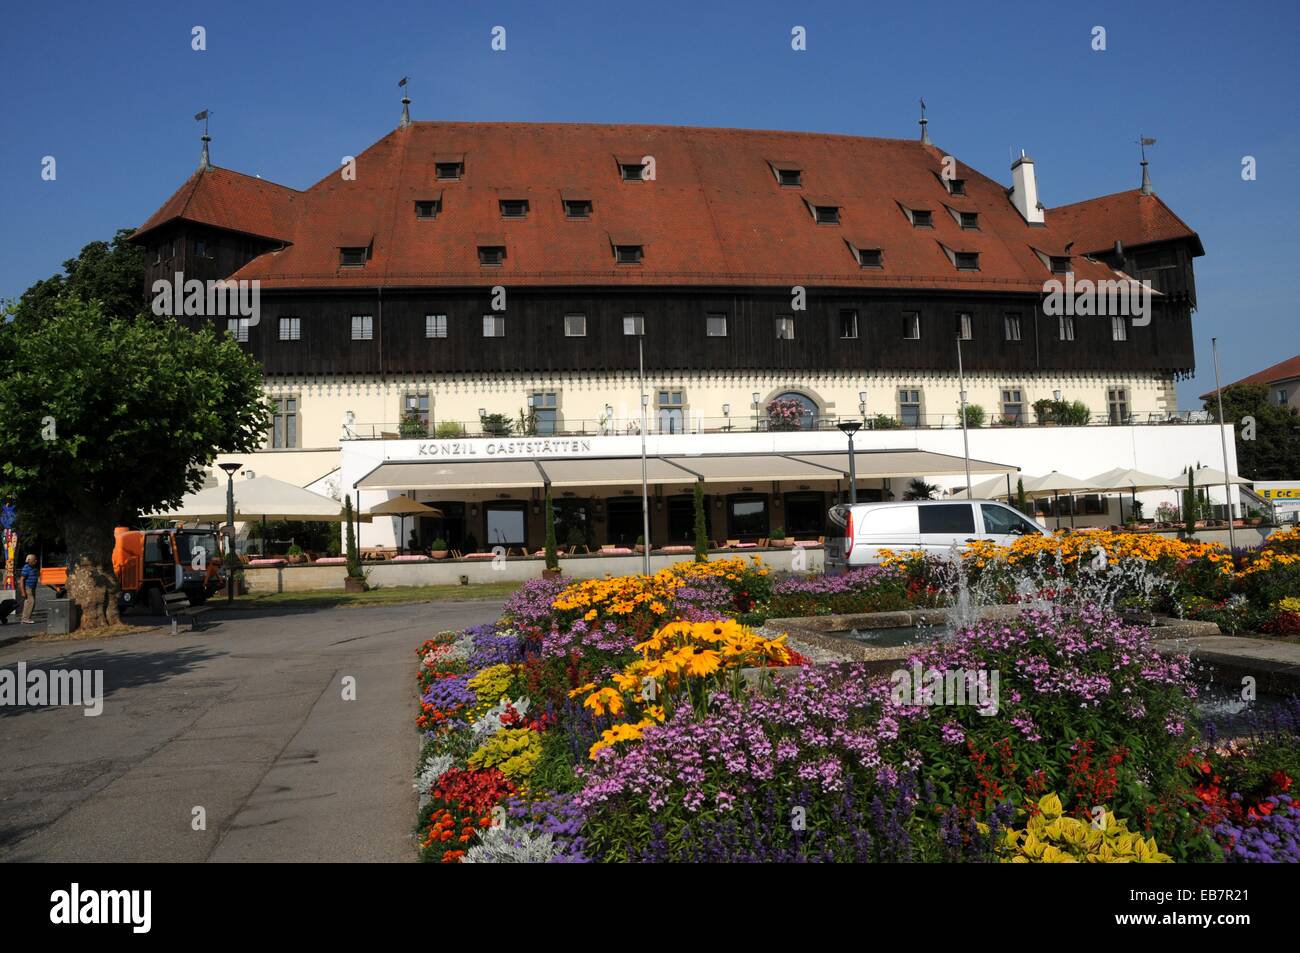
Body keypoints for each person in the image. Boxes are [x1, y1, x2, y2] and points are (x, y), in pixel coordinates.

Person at [19, 554, 39, 623]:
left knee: (29, 602)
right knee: (31, 602)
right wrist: (22, 592)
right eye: (34, 560)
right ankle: (25, 618)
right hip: (28, 588)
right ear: (29, 560)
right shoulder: (26, 568)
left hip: (33, 588)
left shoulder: (34, 567)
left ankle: (26, 618)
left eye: (36, 560)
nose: (36, 561)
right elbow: (21, 580)